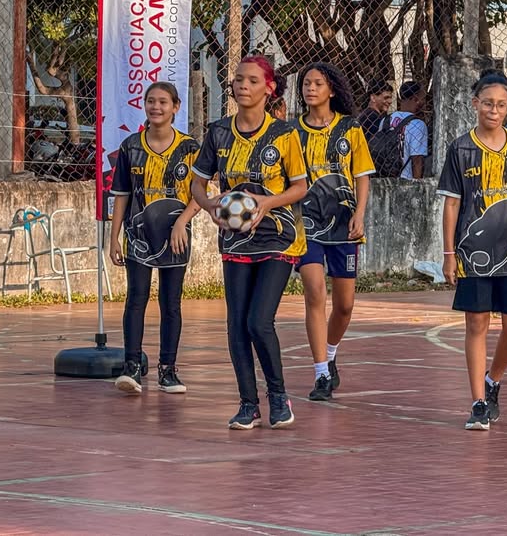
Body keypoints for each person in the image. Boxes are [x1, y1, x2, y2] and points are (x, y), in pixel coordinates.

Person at [191, 55, 308, 430]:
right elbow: (197, 182)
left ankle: (278, 396)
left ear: (268, 89)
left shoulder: (284, 134)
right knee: (236, 325)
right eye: (238, 79)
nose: (242, 85)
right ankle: (247, 403)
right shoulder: (219, 132)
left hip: (279, 236)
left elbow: (300, 187)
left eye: (252, 80)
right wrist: (210, 204)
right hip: (236, 240)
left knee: (259, 322)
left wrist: (266, 202)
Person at [437, 70, 507, 431]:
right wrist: (449, 253)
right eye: (487, 103)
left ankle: (492, 380)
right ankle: (478, 403)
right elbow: (452, 205)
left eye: (500, 105)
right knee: (477, 323)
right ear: (475, 104)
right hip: (473, 254)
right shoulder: (460, 149)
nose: (493, 110)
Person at [108, 82, 202, 395]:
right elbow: (121, 195)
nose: (156, 107)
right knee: (136, 297)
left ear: (176, 107)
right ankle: (131, 365)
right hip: (138, 235)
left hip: (175, 236)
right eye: (150, 101)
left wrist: (181, 225)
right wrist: (114, 237)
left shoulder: (190, 149)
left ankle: (168, 369)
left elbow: (199, 194)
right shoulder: (130, 146)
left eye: (163, 102)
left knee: (170, 301)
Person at [293, 62, 374, 401]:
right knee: (315, 294)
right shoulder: (291, 133)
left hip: (343, 226)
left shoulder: (350, 130)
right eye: (306, 83)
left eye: (317, 83)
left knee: (344, 306)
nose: (310, 89)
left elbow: (363, 176)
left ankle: (330, 351)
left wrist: (359, 213)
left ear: (331, 90)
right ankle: (321, 373)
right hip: (307, 225)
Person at [387, 80, 428, 179]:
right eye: (423, 98)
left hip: (385, 178)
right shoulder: (418, 124)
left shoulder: (385, 120)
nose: (424, 102)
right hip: (405, 179)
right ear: (416, 99)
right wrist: (417, 186)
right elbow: (417, 159)